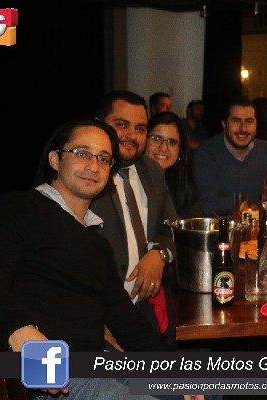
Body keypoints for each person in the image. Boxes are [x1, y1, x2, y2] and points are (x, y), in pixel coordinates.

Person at [0, 119, 191, 399]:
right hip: (51, 375)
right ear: (55, 159)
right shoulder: (15, 209)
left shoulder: (97, 244)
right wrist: (21, 332)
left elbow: (129, 325)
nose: (93, 166)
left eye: (103, 158)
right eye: (82, 153)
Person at [89, 90, 179, 349]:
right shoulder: (86, 174)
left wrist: (159, 254)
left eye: (140, 128)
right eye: (121, 124)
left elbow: (172, 229)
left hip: (143, 312)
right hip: (98, 317)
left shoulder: (152, 171)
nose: (132, 135)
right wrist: (95, 321)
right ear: (99, 125)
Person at [193, 98, 267, 216]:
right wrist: (249, 206)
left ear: (256, 126)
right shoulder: (207, 153)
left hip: (257, 226)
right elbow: (209, 203)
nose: (243, 128)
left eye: (249, 121)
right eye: (236, 121)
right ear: (224, 124)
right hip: (220, 227)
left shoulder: (265, 151)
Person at [146, 111, 201, 218]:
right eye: (156, 139)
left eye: (172, 142)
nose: (163, 148)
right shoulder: (132, 182)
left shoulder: (183, 184)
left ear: (180, 149)